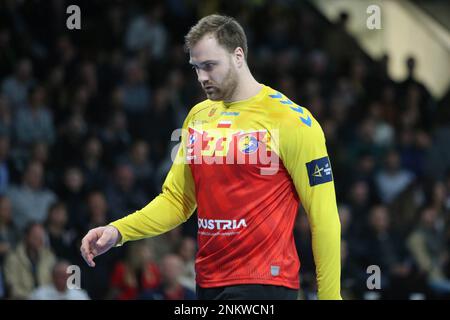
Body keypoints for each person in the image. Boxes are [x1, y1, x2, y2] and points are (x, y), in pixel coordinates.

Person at [81, 14, 341, 300]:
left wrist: (330, 297)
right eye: (196, 68)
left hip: (266, 282)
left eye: (209, 66)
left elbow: (323, 217)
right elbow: (177, 201)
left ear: (238, 56)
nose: (202, 77)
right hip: (207, 281)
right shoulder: (198, 116)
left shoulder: (291, 121)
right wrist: (117, 232)